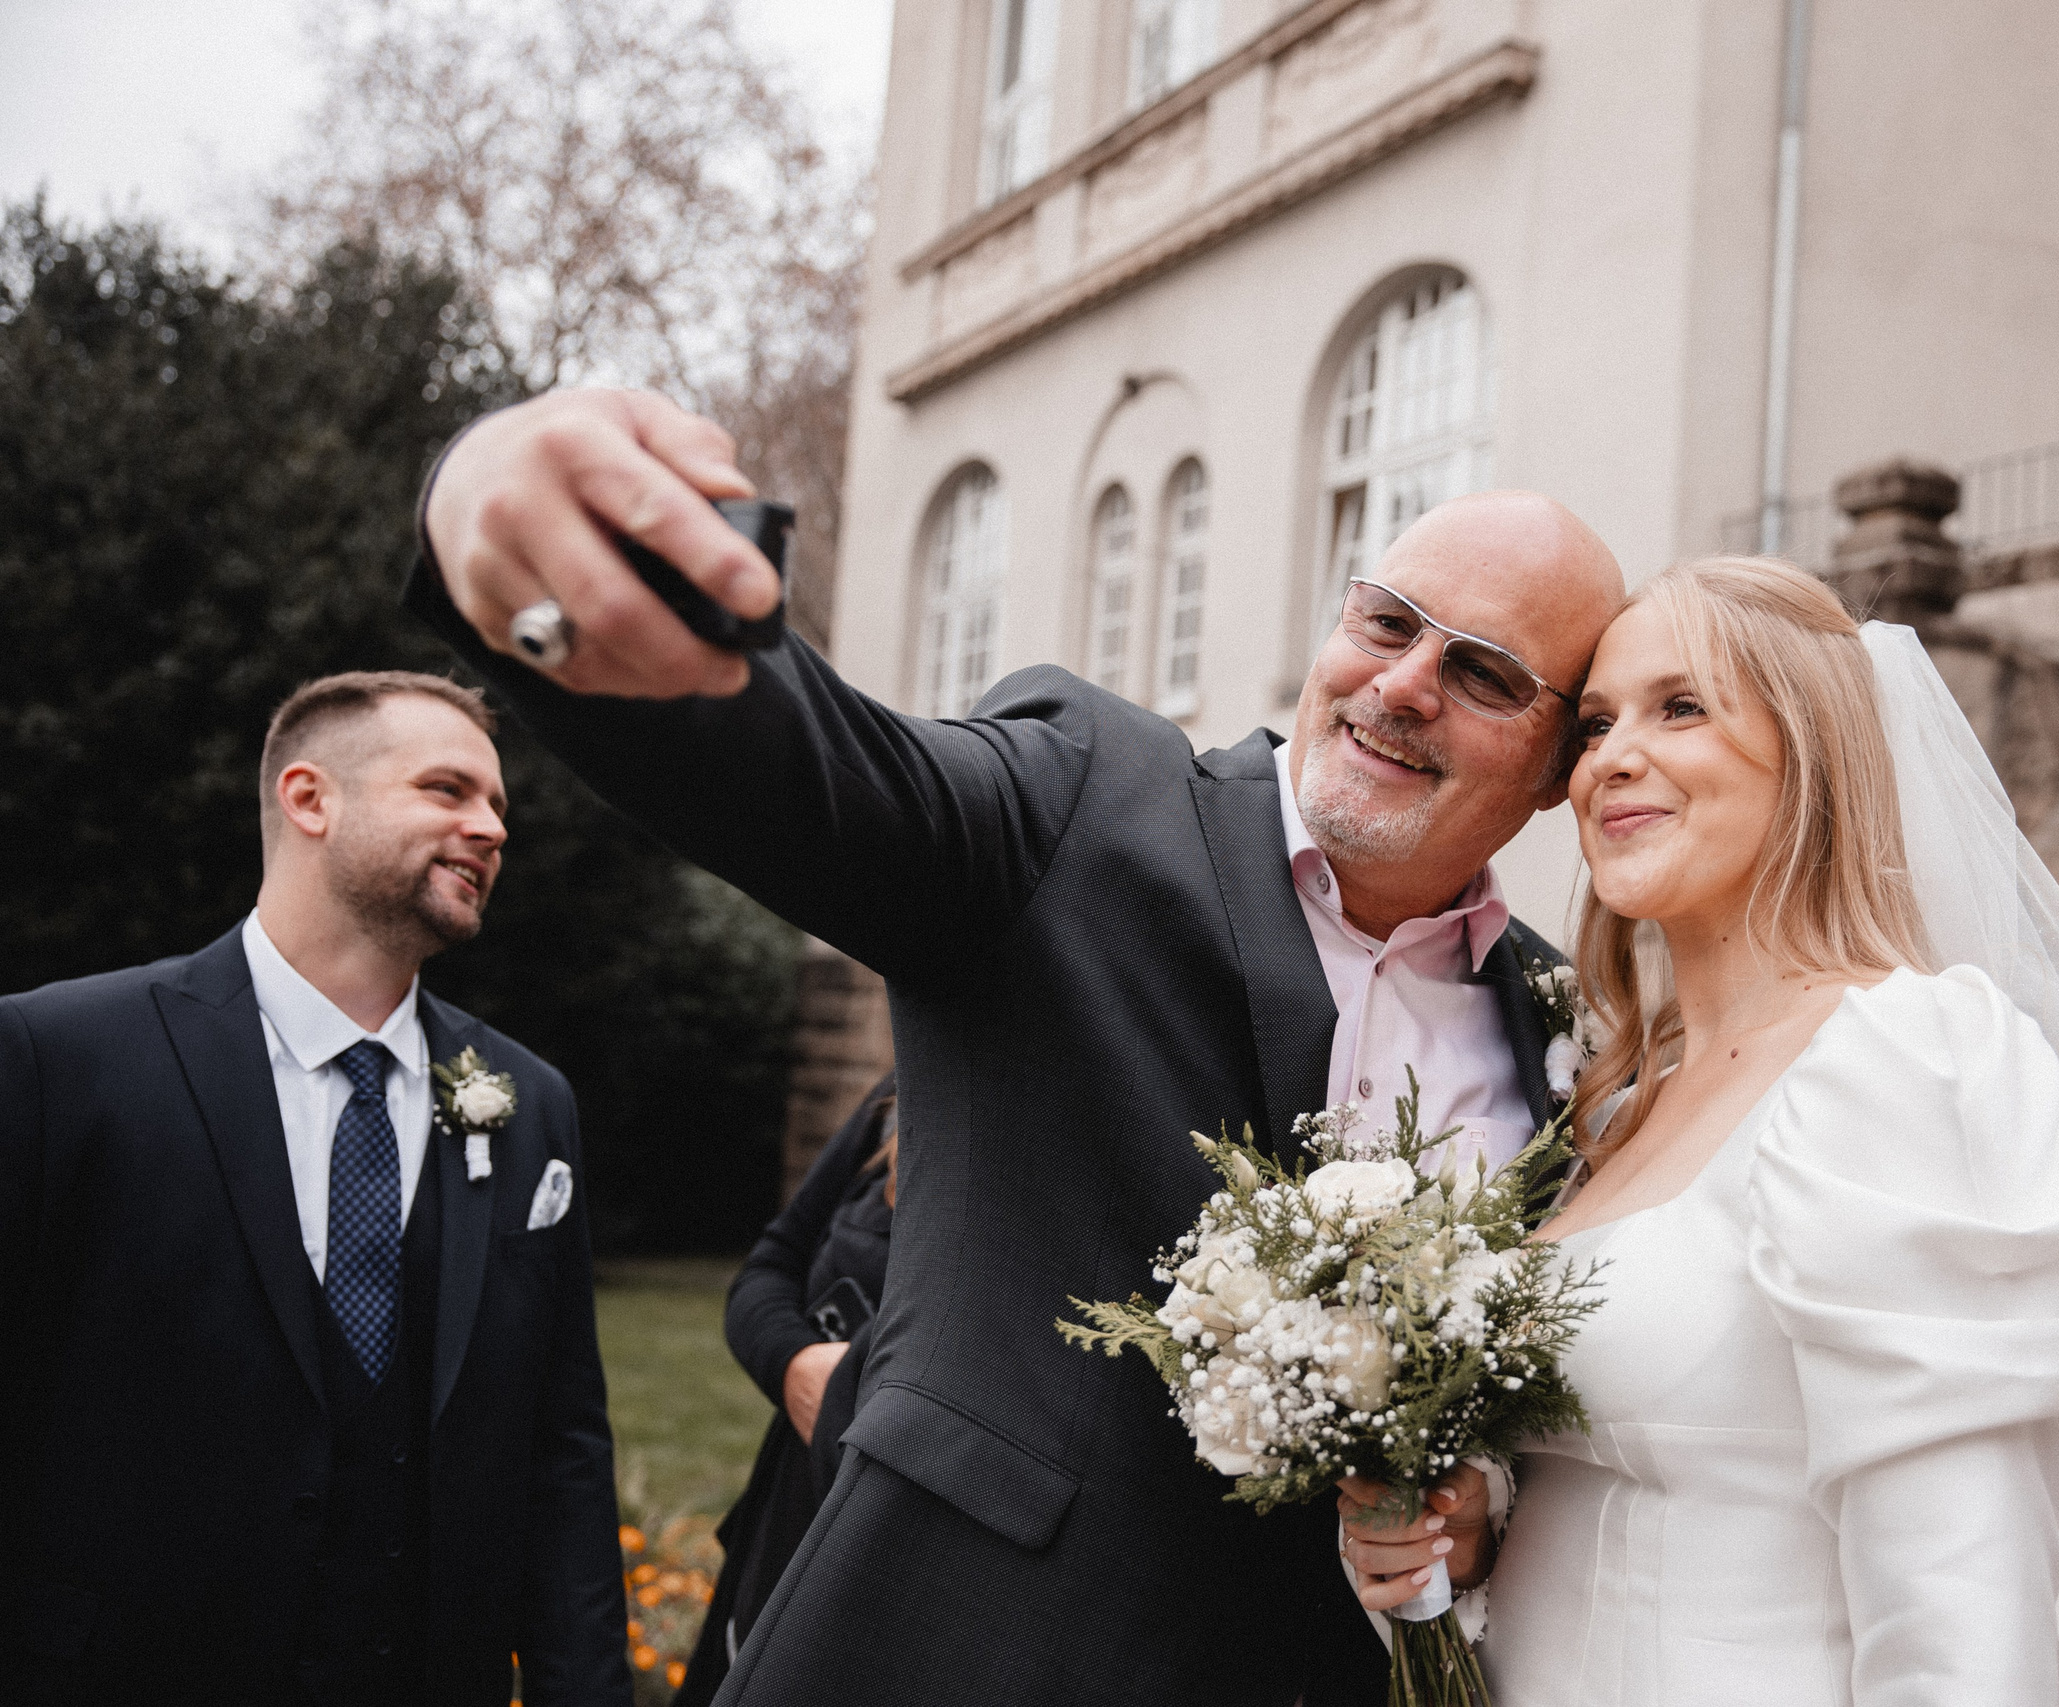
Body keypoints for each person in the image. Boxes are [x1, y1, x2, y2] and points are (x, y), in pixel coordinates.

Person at [403, 387, 1623, 1705]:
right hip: (949, 1651)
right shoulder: (1084, 797)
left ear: (1557, 765)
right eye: (1384, 620)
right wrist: (530, 549)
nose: (1400, 685)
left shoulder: (1558, 1030)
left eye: (1484, 672)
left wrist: (1469, 1501)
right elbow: (817, 774)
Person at [1342, 560, 2059, 1702]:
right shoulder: (1621, 1099)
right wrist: (1471, 1530)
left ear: (1811, 751)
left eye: (1683, 706)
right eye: (1598, 720)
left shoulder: (1891, 1063)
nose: (1609, 756)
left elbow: (1962, 1625)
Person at [0, 671, 632, 1707]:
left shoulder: (525, 1102)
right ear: (309, 800)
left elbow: (562, 1449)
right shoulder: (58, 1057)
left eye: (498, 807)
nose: (490, 828)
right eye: (449, 790)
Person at [673, 1072, 899, 1707]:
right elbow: (770, 1267)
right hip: (788, 1518)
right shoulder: (900, 1097)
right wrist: (795, 1366)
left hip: (901, 1570)